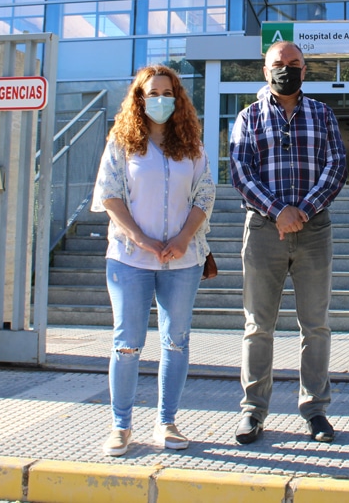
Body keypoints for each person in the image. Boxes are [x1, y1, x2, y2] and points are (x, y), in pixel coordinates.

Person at [91, 64, 216, 457]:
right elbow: (109, 194)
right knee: (127, 343)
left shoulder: (191, 145)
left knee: (175, 343)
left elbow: (204, 195)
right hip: (130, 259)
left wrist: (182, 238)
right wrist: (140, 237)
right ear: (139, 98)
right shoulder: (121, 142)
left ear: (177, 99)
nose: (160, 99)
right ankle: (121, 426)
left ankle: (167, 422)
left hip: (182, 260)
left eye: (167, 92)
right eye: (152, 92)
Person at [228, 40, 347, 445]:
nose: (287, 69)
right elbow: (241, 173)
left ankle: (315, 410)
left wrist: (304, 210)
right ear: (266, 71)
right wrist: (279, 211)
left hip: (314, 231)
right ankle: (252, 411)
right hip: (264, 231)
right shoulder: (248, 117)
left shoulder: (322, 114)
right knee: (258, 326)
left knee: (315, 326)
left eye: (294, 64)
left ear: (305, 70)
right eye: (279, 64)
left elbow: (336, 166)